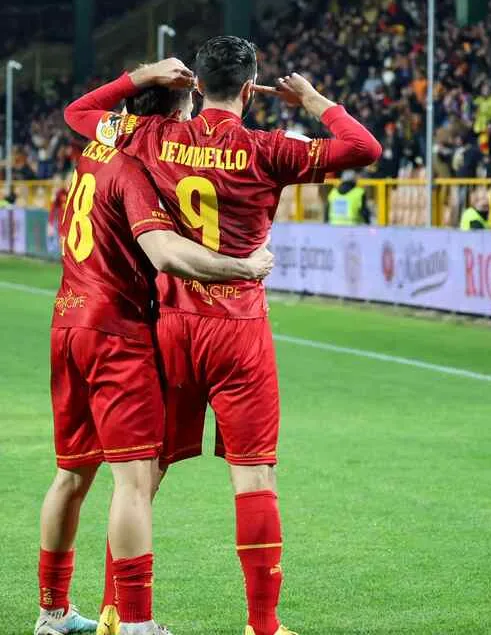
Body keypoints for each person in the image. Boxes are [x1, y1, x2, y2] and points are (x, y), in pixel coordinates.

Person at [64, 40, 382, 635]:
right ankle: (263, 626)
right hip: (239, 329)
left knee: (141, 475)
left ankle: (116, 612)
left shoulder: (152, 135)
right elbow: (365, 148)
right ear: (250, 87)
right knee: (254, 476)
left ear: (194, 84)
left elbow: (79, 114)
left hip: (169, 324)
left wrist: (142, 77)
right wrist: (313, 100)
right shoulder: (270, 149)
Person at [37, 59, 274, 635]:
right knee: (134, 482)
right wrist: (243, 267)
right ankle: (137, 624)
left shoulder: (96, 150)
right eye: (186, 112)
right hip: (115, 334)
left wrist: (139, 77)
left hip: (67, 322)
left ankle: (52, 613)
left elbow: (79, 110)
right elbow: (165, 254)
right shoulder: (133, 170)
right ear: (172, 116)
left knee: (71, 476)